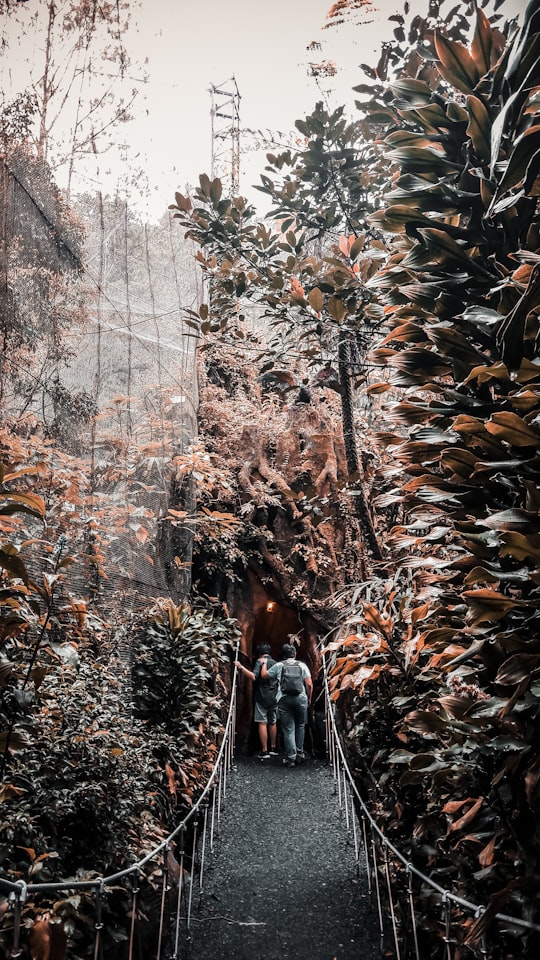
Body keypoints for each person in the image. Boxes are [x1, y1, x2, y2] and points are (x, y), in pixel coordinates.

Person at [260, 642, 312, 768]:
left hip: (284, 699)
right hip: (301, 699)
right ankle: (300, 754)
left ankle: (291, 758)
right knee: (300, 726)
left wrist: (264, 664)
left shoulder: (279, 665)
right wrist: (309, 699)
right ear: (295, 654)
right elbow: (309, 684)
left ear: (283, 655)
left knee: (288, 729)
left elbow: (264, 675)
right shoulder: (302, 665)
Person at [235, 643, 279, 760]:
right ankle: (273, 748)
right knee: (273, 722)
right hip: (274, 696)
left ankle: (264, 751)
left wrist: (241, 667)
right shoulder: (275, 663)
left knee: (262, 722)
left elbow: (254, 676)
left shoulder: (260, 661)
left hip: (261, 696)